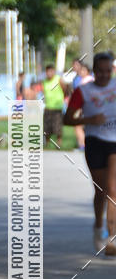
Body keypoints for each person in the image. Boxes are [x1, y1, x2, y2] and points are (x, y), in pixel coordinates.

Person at [64, 51, 116, 255]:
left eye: (108, 71)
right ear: (94, 71)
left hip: (115, 143)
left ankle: (112, 238)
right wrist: (89, 121)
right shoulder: (83, 91)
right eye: (100, 71)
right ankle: (98, 227)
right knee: (101, 192)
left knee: (113, 189)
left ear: (112, 70)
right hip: (94, 142)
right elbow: (68, 119)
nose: (104, 75)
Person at [41, 64, 68, 148]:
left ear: (53, 71)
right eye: (47, 71)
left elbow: (65, 89)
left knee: (58, 128)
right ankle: (47, 144)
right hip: (48, 107)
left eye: (50, 71)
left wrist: (61, 99)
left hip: (57, 108)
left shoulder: (58, 79)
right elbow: (44, 93)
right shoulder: (44, 81)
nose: (49, 73)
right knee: (47, 128)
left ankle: (58, 144)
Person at [71, 61, 93, 149]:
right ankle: (83, 144)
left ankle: (83, 145)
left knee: (78, 126)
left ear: (87, 71)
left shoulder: (87, 81)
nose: (81, 72)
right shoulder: (87, 80)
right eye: (80, 70)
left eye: (83, 70)